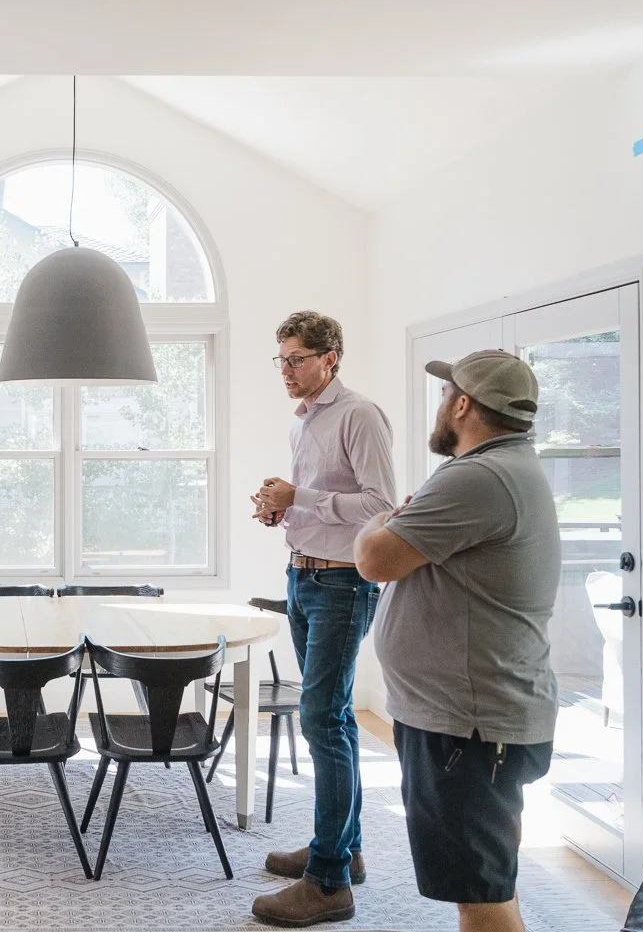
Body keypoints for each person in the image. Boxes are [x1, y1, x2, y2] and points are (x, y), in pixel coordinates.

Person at [353, 350, 560, 932]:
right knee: (486, 881)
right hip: (470, 719)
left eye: (446, 394)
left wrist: (380, 518)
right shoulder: (504, 466)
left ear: (463, 404)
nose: (440, 404)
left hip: (468, 727)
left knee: (481, 896)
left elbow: (375, 559)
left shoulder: (481, 477)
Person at [251, 311, 395, 928]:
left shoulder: (358, 414)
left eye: (297, 359)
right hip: (304, 576)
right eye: (280, 360)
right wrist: (278, 510)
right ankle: (345, 849)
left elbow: (381, 504)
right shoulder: (305, 421)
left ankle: (329, 881)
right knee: (332, 716)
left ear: (330, 358)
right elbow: (318, 501)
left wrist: (300, 498)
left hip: (343, 582)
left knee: (321, 718)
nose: (286, 371)